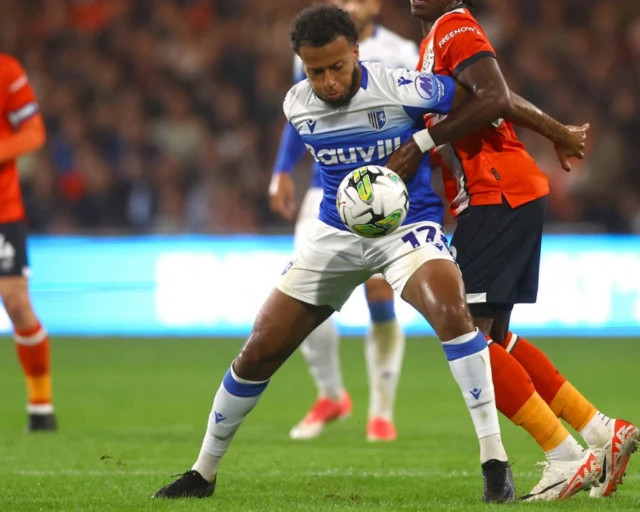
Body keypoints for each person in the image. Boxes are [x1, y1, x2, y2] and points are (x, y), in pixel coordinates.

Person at [154, 5, 516, 503]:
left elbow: (483, 98)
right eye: (314, 70)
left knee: (454, 314)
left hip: (408, 226)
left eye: (336, 67)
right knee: (259, 348)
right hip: (334, 236)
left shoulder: (402, 87)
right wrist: (283, 172)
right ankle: (203, 472)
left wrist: (434, 143)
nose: (326, 81)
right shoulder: (295, 105)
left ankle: (495, 462)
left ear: (356, 53)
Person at [384, 0, 638, 500]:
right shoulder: (437, 40)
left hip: (494, 194)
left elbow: (496, 96)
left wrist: (422, 140)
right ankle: (600, 432)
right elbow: (500, 96)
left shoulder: (455, 27)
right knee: (494, 340)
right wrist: (557, 130)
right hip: (508, 194)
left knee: (469, 342)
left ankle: (565, 457)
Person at [269, 0, 420, 442]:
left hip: (382, 189)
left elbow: (426, 114)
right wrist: (281, 170)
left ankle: (382, 410)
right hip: (325, 190)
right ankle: (331, 394)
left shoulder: (401, 51)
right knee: (302, 290)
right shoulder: (315, 52)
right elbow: (300, 116)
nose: (351, 5)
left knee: (379, 294)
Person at [0, 53, 56, 431]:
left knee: (17, 303)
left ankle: (41, 406)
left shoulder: (7, 71)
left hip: (3, 210)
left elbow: (34, 132)